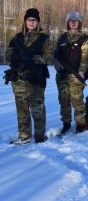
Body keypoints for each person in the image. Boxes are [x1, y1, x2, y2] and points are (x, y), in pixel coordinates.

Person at [5, 8, 53, 144]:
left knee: (37, 109)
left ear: (38, 22)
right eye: (29, 20)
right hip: (18, 79)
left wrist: (34, 59)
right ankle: (24, 136)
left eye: (34, 20)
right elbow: (8, 53)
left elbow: (49, 57)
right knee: (22, 110)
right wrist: (15, 56)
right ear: (25, 22)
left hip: (35, 79)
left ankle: (39, 135)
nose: (32, 22)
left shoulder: (44, 38)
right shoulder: (17, 37)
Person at [53, 11, 88, 134]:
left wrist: (82, 70)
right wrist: (55, 61)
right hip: (62, 74)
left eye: (76, 20)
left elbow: (85, 56)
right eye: (71, 20)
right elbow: (55, 53)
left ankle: (80, 124)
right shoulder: (62, 37)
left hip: (76, 75)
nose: (73, 22)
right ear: (68, 23)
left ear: (79, 23)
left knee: (77, 100)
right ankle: (66, 123)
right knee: (63, 100)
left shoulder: (84, 38)